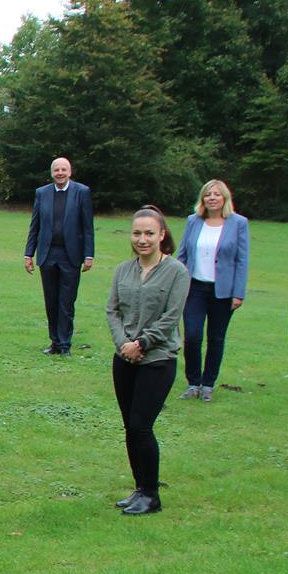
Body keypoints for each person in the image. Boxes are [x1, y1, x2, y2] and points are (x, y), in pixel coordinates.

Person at [105, 206, 189, 516]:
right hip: (124, 358)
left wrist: (142, 343)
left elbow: (171, 316)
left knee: (142, 425)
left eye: (149, 233)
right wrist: (123, 344)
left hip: (157, 359)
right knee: (130, 426)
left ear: (162, 235)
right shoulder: (122, 270)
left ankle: (152, 494)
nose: (142, 239)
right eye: (137, 233)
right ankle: (139, 488)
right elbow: (112, 311)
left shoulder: (176, 272)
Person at [176, 179, 249, 403]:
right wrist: (176, 282)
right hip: (194, 288)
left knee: (216, 338)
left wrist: (239, 292)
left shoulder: (238, 223)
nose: (212, 198)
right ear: (203, 198)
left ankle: (208, 384)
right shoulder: (194, 221)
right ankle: (193, 383)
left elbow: (242, 259)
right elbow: (182, 254)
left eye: (217, 194)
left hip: (223, 291)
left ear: (224, 198)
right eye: (208, 194)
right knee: (193, 336)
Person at [24, 156, 95, 355]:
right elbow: (35, 226)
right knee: (51, 300)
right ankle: (54, 342)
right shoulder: (42, 193)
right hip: (48, 254)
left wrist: (89, 254)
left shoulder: (82, 192)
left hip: (70, 255)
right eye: (57, 170)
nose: (60, 173)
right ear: (52, 173)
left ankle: (65, 344)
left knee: (66, 301)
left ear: (70, 172)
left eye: (64, 169)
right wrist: (29, 253)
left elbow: (87, 227)